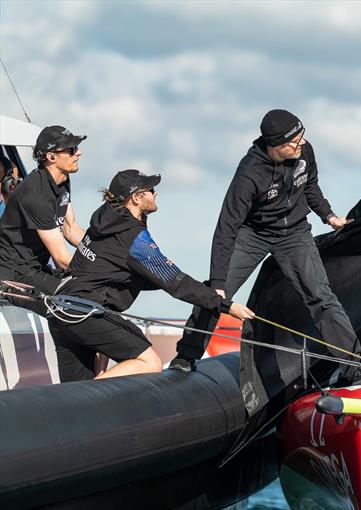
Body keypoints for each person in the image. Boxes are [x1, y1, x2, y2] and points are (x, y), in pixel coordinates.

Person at [171, 109, 359, 372]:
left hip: (294, 234)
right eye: (295, 141)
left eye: (302, 136)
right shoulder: (249, 173)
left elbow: (311, 185)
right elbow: (226, 227)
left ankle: (354, 365)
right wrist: (218, 282)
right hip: (252, 234)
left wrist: (328, 215)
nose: (302, 143)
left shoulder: (304, 150)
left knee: (321, 296)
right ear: (276, 146)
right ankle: (185, 357)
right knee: (213, 294)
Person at [49, 170, 253, 382]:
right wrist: (224, 304)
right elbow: (175, 282)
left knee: (74, 394)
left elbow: (133, 275)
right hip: (84, 314)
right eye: (151, 190)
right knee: (150, 363)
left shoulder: (104, 220)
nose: (156, 194)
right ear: (136, 198)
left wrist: (198, 292)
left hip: (60, 311)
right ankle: (95, 389)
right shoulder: (133, 236)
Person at [0, 126, 86, 311]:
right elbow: (62, 259)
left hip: (33, 269)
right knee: (77, 302)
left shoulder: (61, 182)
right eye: (71, 150)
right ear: (51, 157)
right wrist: (99, 270)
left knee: (93, 295)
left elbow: (71, 230)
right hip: (13, 275)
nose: (79, 153)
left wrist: (105, 256)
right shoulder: (36, 193)